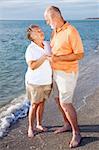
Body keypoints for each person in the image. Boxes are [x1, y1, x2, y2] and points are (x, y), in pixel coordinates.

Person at [44, 6, 84, 148]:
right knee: (57, 99)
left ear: (55, 16)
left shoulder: (71, 31)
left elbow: (79, 54)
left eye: (48, 20)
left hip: (67, 73)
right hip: (55, 72)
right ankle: (67, 124)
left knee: (66, 103)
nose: (47, 23)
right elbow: (55, 52)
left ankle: (76, 132)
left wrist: (58, 58)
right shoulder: (55, 32)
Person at [25, 25, 52, 138]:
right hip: (35, 82)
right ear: (32, 36)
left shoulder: (47, 44)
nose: (41, 32)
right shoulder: (30, 49)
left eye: (40, 30)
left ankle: (39, 124)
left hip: (47, 80)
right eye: (37, 31)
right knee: (34, 104)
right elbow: (32, 66)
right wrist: (44, 57)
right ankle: (30, 128)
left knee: (42, 103)